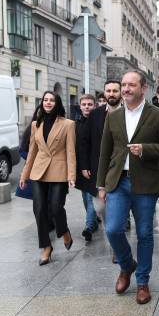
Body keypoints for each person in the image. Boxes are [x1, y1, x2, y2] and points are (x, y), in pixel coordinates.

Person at [97, 70, 159, 305]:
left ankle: (142, 281)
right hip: (118, 181)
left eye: (132, 85)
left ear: (143, 89)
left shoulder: (158, 115)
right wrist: (101, 184)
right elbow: (105, 152)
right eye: (124, 85)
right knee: (112, 229)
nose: (126, 89)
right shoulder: (113, 116)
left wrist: (146, 149)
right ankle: (126, 265)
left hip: (146, 182)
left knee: (144, 234)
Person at [19, 91, 76, 265]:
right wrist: (24, 175)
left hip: (59, 170)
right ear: (42, 103)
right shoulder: (36, 124)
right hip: (38, 171)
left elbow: (70, 151)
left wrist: (71, 175)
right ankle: (46, 246)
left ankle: (64, 231)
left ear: (57, 103)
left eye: (52, 100)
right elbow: (32, 152)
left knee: (56, 208)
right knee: (39, 209)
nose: (48, 103)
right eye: (45, 100)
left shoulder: (68, 124)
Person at [78, 80, 124, 244]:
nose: (111, 94)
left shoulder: (128, 112)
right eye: (108, 91)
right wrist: (84, 165)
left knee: (119, 209)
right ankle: (107, 231)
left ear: (121, 92)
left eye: (115, 91)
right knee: (100, 207)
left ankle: (117, 245)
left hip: (123, 169)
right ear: (104, 93)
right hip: (99, 168)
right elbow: (85, 141)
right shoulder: (96, 114)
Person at [75, 94, 99, 241]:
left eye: (90, 104)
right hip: (81, 167)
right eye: (84, 104)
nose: (87, 107)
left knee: (91, 198)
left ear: (94, 105)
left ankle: (89, 226)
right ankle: (94, 222)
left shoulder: (98, 122)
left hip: (94, 166)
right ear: (80, 106)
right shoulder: (76, 123)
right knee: (85, 197)